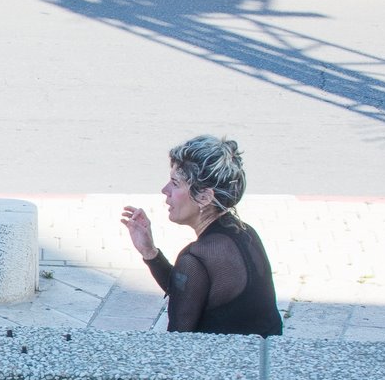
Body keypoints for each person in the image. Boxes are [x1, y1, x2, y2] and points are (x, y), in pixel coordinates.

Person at [120, 135, 282, 337]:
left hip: (225, 366)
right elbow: (189, 290)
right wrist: (149, 251)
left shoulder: (196, 258)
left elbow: (177, 343)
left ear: (204, 197)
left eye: (175, 183)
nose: (165, 190)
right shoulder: (245, 232)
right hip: (262, 361)